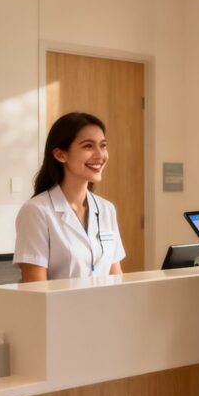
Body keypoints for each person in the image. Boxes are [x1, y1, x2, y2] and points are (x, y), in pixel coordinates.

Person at [14, 112, 125, 281]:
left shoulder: (106, 209)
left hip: (104, 306)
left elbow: (116, 279)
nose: (100, 155)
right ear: (60, 155)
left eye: (103, 146)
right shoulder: (36, 211)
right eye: (88, 146)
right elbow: (34, 291)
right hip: (58, 308)